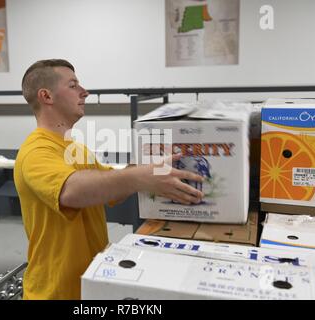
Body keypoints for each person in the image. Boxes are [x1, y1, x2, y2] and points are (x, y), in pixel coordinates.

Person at [14, 59, 204, 299]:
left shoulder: (76, 149)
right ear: (47, 96)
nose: (85, 92)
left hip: (90, 283)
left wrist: (147, 165)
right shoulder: (36, 152)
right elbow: (71, 191)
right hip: (56, 292)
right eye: (73, 85)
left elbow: (111, 186)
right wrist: (140, 177)